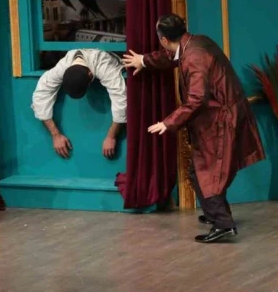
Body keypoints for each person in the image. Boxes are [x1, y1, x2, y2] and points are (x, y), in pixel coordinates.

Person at [122, 14, 265, 243]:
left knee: (205, 171)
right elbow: (171, 56)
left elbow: (197, 98)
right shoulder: (195, 42)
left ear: (164, 39)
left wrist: (168, 122)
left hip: (220, 119)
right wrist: (144, 60)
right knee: (205, 170)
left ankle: (223, 224)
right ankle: (215, 215)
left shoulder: (194, 56)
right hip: (221, 114)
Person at [32, 49, 126, 159]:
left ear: (90, 74)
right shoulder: (63, 66)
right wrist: (55, 135)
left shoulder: (103, 66)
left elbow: (121, 100)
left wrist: (111, 137)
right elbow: (41, 95)